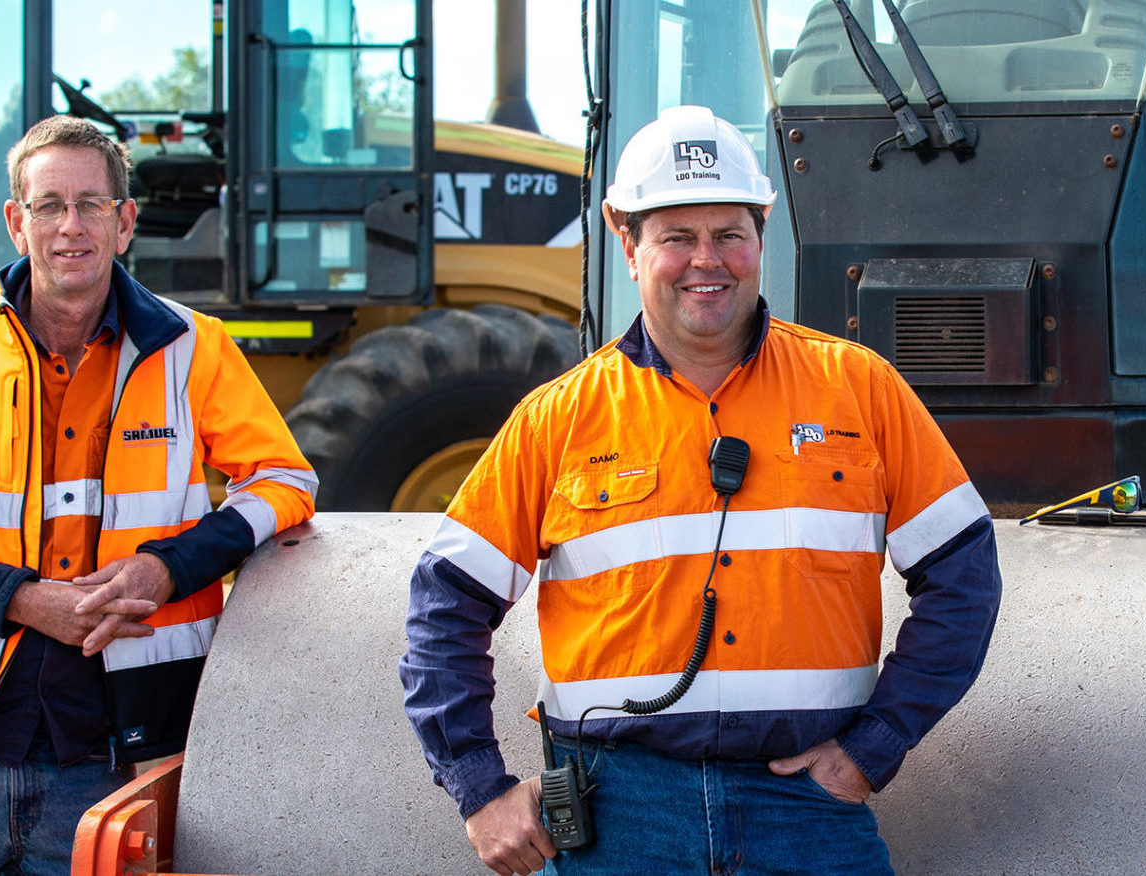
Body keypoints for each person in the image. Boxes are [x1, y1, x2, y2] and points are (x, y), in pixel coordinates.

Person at [399, 106, 1003, 876]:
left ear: (761, 241)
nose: (705, 261)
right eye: (676, 237)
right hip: (617, 815)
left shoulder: (860, 391)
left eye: (729, 235)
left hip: (806, 810)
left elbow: (965, 575)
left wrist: (875, 745)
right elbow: (444, 605)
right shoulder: (557, 420)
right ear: (629, 243)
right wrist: (481, 791)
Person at [0, 115, 318, 876]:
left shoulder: (195, 351)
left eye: (91, 204)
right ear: (16, 221)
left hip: (111, 752)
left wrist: (168, 569)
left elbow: (286, 481)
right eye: (48, 205)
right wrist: (25, 599)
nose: (70, 226)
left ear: (124, 222)